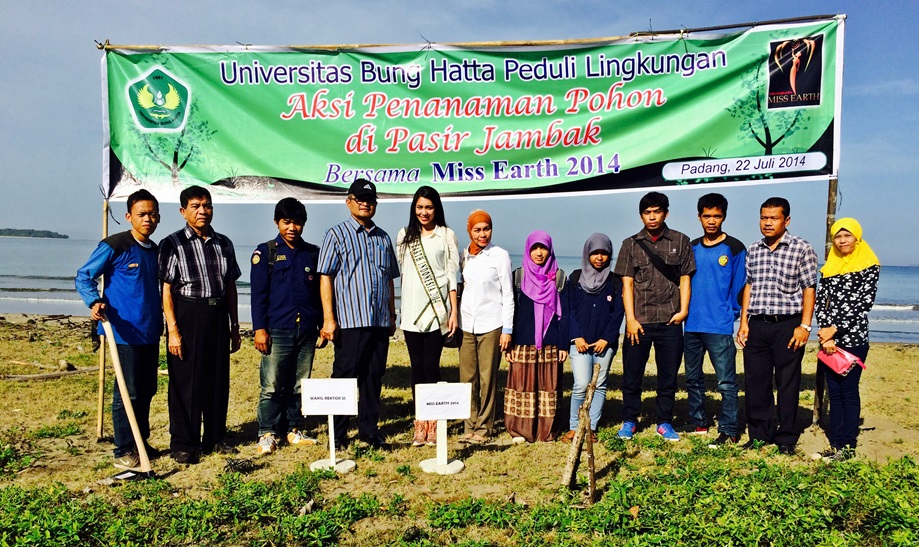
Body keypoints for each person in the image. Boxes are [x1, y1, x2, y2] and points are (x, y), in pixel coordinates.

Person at [75, 189, 162, 470]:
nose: (147, 219)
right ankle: (123, 448)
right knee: (127, 391)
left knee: (147, 390)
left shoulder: (155, 250)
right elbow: (84, 276)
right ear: (128, 217)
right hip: (122, 333)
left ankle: (140, 441)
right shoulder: (115, 245)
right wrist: (94, 301)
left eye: (152, 214)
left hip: (149, 331)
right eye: (141, 214)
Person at [159, 185, 242, 464]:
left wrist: (234, 326)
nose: (202, 211)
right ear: (183, 211)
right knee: (186, 382)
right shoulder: (173, 243)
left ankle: (216, 437)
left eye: (206, 206)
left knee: (217, 381)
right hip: (188, 313)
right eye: (195, 206)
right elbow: (167, 290)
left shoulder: (224, 243)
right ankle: (184, 442)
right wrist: (173, 330)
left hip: (218, 314)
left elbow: (230, 285)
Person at [318, 179, 399, 449]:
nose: (366, 203)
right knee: (344, 376)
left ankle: (368, 430)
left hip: (378, 321)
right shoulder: (336, 234)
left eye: (371, 200)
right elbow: (326, 277)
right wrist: (329, 319)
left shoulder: (383, 237)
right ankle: (337, 434)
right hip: (350, 320)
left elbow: (388, 277)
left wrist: (391, 313)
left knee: (373, 377)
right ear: (349, 201)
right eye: (361, 199)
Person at [737, 197, 818, 455]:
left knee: (787, 382)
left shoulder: (802, 248)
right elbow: (749, 285)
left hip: (788, 325)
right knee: (756, 381)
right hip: (758, 324)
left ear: (787, 221)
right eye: (764, 217)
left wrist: (805, 326)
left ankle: (786, 437)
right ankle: (759, 434)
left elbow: (809, 289)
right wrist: (744, 321)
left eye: (774, 218)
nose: (768, 223)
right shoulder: (754, 249)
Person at [613, 191, 695, 442]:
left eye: (657, 211)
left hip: (670, 320)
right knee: (632, 374)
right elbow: (626, 284)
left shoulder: (681, 241)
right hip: (640, 321)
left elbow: (685, 279)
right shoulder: (630, 244)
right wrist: (631, 319)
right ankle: (629, 420)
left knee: (668, 375)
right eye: (647, 212)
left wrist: (683, 311)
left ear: (665, 213)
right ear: (641, 216)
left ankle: (664, 421)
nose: (652, 217)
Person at [250, 198, 324, 456]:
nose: (292, 227)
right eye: (286, 222)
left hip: (306, 330)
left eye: (297, 222)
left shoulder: (312, 253)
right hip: (276, 330)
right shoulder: (266, 252)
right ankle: (267, 432)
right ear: (277, 222)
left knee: (300, 383)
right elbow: (258, 296)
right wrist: (259, 329)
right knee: (271, 384)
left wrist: (323, 325)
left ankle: (294, 428)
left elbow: (319, 293)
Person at [395, 186, 459, 447]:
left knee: (432, 367)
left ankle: (433, 422)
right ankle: (419, 422)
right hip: (411, 313)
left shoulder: (447, 235)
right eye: (420, 207)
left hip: (437, 312)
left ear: (437, 208)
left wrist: (454, 311)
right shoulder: (404, 235)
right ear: (414, 208)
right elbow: (403, 272)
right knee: (416, 368)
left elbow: (452, 274)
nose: (424, 212)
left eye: (429, 207)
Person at [813, 218, 880, 462]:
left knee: (848, 391)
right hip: (829, 340)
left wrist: (835, 330)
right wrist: (824, 332)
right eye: (837, 237)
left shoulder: (869, 265)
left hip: (854, 338)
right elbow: (822, 301)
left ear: (856, 237)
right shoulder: (831, 265)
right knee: (834, 392)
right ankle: (836, 443)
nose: (842, 241)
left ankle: (847, 445)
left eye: (847, 236)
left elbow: (863, 305)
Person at [683, 193, 746, 447]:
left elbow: (740, 286)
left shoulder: (734, 248)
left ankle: (729, 429)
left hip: (719, 326)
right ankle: (698, 421)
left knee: (726, 381)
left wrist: (731, 315)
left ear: (724, 217)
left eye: (716, 216)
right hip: (692, 325)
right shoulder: (691, 247)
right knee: (692, 378)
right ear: (699, 217)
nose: (711, 221)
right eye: (706, 215)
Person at [504, 230, 568, 443]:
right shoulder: (518, 276)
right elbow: (511, 310)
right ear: (528, 249)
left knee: (548, 388)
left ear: (550, 250)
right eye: (535, 248)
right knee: (523, 387)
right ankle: (520, 431)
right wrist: (509, 342)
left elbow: (564, 314)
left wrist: (563, 345)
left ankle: (545, 431)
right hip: (523, 342)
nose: (539, 253)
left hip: (551, 343)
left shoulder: (559, 276)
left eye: (544, 248)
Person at [561, 233, 624, 444]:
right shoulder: (575, 278)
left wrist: (606, 339)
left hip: (604, 345)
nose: (599, 257)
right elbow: (568, 310)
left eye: (604, 253)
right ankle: (573, 427)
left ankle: (591, 427)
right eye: (595, 253)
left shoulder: (615, 282)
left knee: (599, 385)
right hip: (579, 344)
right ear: (587, 254)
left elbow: (618, 314)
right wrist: (576, 336)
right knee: (580, 383)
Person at [458, 209, 514, 444]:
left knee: (487, 378)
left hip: (492, 324)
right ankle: (468, 424)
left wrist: (507, 330)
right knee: (466, 378)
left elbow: (508, 294)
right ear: (469, 231)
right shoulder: (464, 256)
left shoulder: (499, 255)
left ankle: (484, 427)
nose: (483, 234)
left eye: (486, 229)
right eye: (477, 230)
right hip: (466, 324)